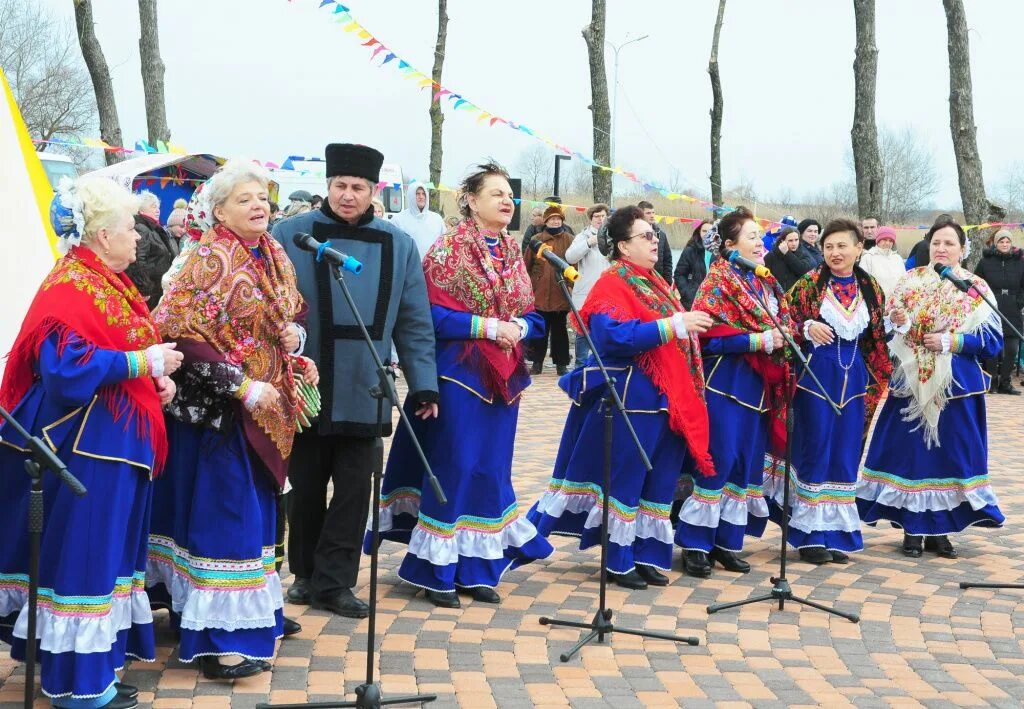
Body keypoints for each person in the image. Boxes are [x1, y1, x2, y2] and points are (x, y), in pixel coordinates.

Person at [0, 176, 183, 708]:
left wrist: (153, 378)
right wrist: (141, 364)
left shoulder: (103, 280)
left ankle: (92, 672)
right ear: (102, 234)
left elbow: (125, 344)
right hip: (86, 445)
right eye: (129, 227)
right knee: (85, 559)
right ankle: (77, 686)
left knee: (103, 562)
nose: (137, 237)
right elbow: (65, 369)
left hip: (110, 441)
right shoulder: (72, 286)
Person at [148, 160, 311, 680]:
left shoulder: (274, 252)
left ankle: (252, 613)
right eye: (244, 198)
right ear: (219, 210)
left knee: (255, 518)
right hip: (217, 414)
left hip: (265, 407)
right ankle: (222, 639)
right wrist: (239, 385)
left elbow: (288, 312)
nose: (258, 205)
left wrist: (294, 338)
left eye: (262, 196)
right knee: (226, 518)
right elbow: (176, 329)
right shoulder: (206, 257)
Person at [367, 162, 553, 608]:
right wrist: (486, 327)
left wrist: (521, 330)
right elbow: (428, 315)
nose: (507, 201)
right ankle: (436, 570)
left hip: (503, 380)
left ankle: (476, 567)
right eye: (496, 193)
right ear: (469, 200)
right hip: (459, 376)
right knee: (456, 466)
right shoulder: (448, 251)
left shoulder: (511, 251)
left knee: (490, 471)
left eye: (510, 194)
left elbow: (531, 313)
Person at [273, 143, 438, 619]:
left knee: (353, 491)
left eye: (358, 187)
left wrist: (422, 383)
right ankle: (304, 573)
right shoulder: (290, 235)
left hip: (366, 385)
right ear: (328, 186)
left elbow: (414, 320)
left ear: (373, 191)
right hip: (305, 387)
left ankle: (335, 582)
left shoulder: (399, 244)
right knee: (304, 487)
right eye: (340, 186)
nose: (348, 195)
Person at [528, 206, 715, 589]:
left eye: (655, 234)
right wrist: (673, 325)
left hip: (667, 401)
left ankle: (647, 553)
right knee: (627, 480)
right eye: (646, 235)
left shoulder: (656, 282)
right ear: (623, 247)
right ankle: (618, 557)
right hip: (633, 398)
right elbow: (613, 337)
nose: (655, 241)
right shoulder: (613, 282)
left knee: (660, 482)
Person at [857, 217, 1005, 559]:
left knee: (951, 457)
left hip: (956, 386)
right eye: (937, 242)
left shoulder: (975, 286)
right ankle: (912, 529)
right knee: (911, 457)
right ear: (928, 246)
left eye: (950, 243)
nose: (942, 248)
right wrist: (898, 323)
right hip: (910, 382)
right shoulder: (910, 281)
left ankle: (941, 531)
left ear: (962, 250)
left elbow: (993, 340)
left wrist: (952, 341)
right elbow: (888, 327)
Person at [769, 219, 892, 564]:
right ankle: (808, 536)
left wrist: (897, 326)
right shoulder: (809, 284)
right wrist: (806, 327)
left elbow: (878, 338)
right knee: (815, 449)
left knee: (845, 453)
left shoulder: (871, 288)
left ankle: (835, 533)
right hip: (815, 379)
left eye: (842, 246)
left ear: (858, 248)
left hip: (853, 384)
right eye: (829, 247)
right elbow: (783, 321)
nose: (835, 253)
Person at [674, 208, 788, 577]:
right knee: (717, 459)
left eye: (760, 236)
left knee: (745, 461)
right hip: (726, 383)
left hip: (758, 387)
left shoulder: (765, 282)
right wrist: (757, 339)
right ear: (729, 244)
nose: (759, 243)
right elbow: (705, 335)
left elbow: (780, 325)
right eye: (751, 236)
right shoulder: (719, 281)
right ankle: (694, 543)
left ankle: (726, 540)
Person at [524, 205, 574, 375]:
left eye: (558, 219)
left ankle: (561, 364)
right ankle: (536, 362)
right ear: (546, 221)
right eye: (552, 219)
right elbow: (526, 264)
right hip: (540, 292)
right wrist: (531, 284)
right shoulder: (536, 239)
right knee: (540, 329)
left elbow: (574, 265)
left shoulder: (569, 239)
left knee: (560, 331)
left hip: (561, 292)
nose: (555, 221)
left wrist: (570, 285)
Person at [974, 229, 1024, 395]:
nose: (1004, 244)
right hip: (991, 307)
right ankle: (991, 382)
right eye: (1001, 241)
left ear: (1011, 243)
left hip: (1012, 307)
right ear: (996, 243)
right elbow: (977, 283)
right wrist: (983, 303)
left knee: (1012, 348)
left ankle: (1005, 382)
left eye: (1007, 241)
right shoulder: (985, 261)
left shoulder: (1020, 261)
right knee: (992, 346)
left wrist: (1019, 302)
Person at [565, 203, 610, 365]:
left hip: (607, 294)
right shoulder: (582, 236)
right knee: (583, 331)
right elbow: (570, 257)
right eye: (597, 216)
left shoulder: (612, 236)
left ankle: (602, 366)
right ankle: (580, 366)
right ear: (591, 218)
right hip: (586, 292)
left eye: (603, 216)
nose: (600, 219)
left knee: (604, 329)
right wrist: (589, 243)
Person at [125, 190, 178, 307]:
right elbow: (137, 260)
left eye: (158, 207)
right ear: (141, 210)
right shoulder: (142, 228)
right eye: (153, 207)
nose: (158, 210)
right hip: (150, 291)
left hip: (156, 288)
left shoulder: (153, 228)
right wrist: (143, 287)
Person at [392, 180, 446, 258]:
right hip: (408, 267)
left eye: (423, 194)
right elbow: (394, 247)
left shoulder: (436, 219)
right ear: (411, 196)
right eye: (417, 194)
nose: (421, 197)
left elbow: (444, 243)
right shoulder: (398, 220)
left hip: (432, 267)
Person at [673, 220, 717, 309]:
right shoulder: (690, 251)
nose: (707, 233)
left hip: (714, 302)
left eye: (711, 231)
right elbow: (679, 274)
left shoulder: (719, 253)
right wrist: (688, 294)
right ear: (699, 232)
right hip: (692, 301)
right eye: (704, 231)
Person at [858, 225, 906, 298]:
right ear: (878, 240)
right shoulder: (868, 257)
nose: (887, 243)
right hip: (877, 301)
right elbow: (863, 282)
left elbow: (904, 280)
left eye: (890, 241)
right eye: (884, 240)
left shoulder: (897, 258)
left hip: (896, 302)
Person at [764, 226, 815, 292]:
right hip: (777, 296)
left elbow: (802, 271)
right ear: (783, 241)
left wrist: (787, 254)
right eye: (790, 241)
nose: (794, 244)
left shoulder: (803, 253)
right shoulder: (772, 255)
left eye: (796, 240)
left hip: (796, 296)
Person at [638, 200, 674, 285]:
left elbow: (667, 260)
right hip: (640, 281)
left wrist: (667, 282)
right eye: (648, 213)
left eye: (653, 212)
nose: (652, 215)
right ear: (640, 215)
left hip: (659, 281)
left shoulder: (661, 235)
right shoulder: (635, 235)